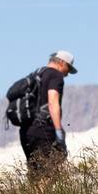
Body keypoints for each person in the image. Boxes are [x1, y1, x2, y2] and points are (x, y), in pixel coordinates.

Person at [19, 50, 76, 183]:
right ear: (61, 63)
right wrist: (58, 130)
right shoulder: (55, 75)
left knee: (35, 174)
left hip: (26, 131)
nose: (67, 74)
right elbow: (53, 101)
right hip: (43, 129)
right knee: (48, 173)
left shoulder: (37, 74)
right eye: (68, 68)